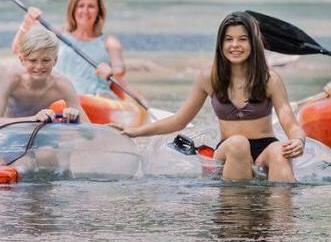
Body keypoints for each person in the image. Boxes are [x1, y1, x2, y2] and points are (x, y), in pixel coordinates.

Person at [121, 11, 306, 183]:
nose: (234, 45)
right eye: (228, 39)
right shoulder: (208, 78)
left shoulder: (270, 79)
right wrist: (135, 131)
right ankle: (236, 213)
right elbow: (179, 121)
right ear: (221, 44)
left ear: (253, 44)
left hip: (265, 147)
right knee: (238, 143)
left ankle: (283, 216)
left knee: (279, 151)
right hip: (230, 149)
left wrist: (298, 140)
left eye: (242, 39)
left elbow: (289, 122)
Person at [11, 0, 126, 98]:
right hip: (60, 99)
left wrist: (111, 72)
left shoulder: (109, 42)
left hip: (97, 99)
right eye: (81, 6)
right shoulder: (56, 36)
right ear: (73, 10)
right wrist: (26, 24)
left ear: (99, 12)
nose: (85, 11)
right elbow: (18, 50)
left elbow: (120, 69)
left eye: (91, 6)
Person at [0, 25, 88, 124]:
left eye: (46, 60)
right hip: (12, 133)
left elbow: (90, 132)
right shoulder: (13, 80)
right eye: (33, 60)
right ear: (22, 60)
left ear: (55, 60)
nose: (39, 66)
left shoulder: (62, 84)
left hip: (44, 134)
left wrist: (75, 119)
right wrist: (33, 119)